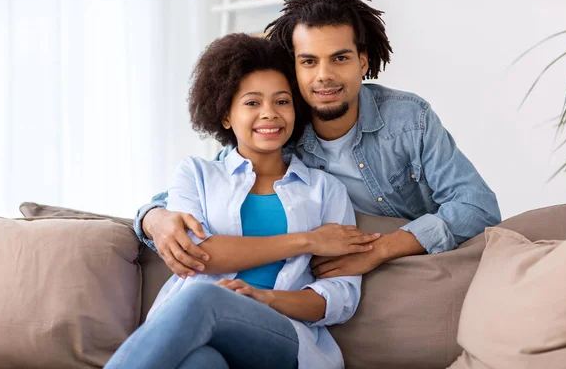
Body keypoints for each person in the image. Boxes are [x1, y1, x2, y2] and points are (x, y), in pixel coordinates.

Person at [134, 0, 501, 282]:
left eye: (339, 58)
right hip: (328, 280)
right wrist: (155, 218)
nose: (323, 75)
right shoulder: (281, 128)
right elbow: (208, 180)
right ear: (294, 69)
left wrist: (382, 249)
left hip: (417, 265)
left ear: (363, 62)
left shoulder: (408, 118)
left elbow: (477, 205)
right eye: (309, 61)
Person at [106, 34, 377, 369]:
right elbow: (200, 255)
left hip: (280, 336)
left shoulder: (326, 190)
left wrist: (266, 298)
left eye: (282, 101)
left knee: (204, 296)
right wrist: (308, 240)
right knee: (202, 363)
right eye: (252, 103)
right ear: (225, 115)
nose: (270, 114)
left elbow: (340, 297)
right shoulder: (196, 175)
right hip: (200, 330)